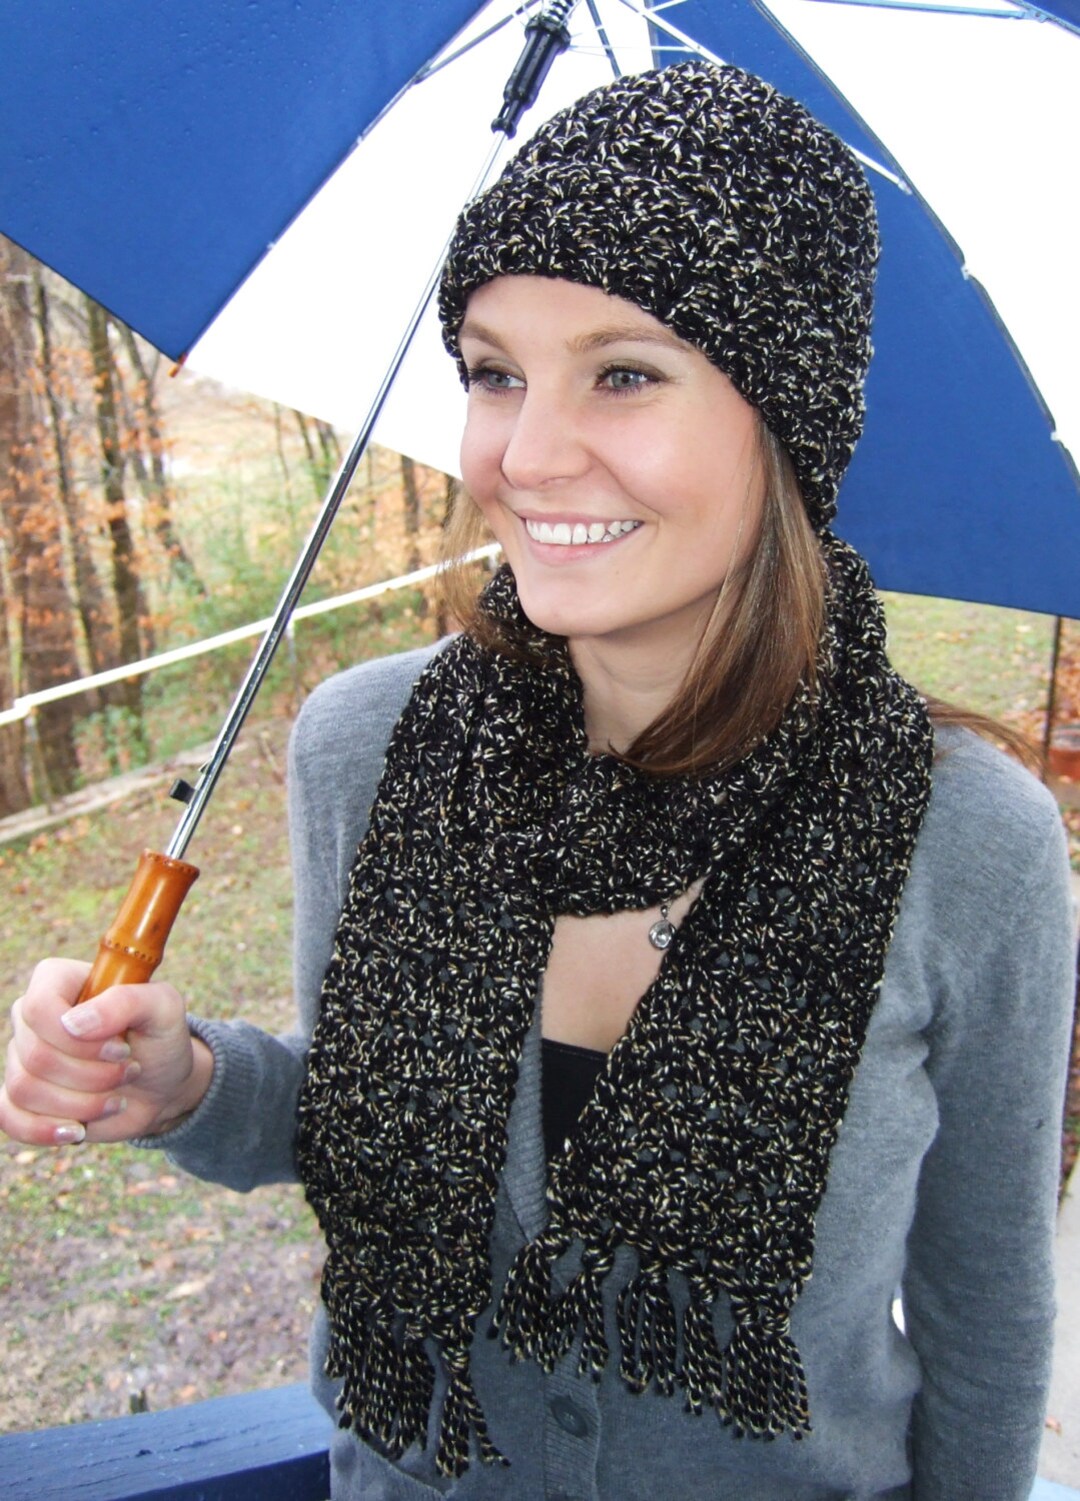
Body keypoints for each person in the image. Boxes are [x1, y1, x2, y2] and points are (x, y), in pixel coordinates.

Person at [1, 60, 1074, 1501]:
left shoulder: (966, 839)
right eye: (494, 370)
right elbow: (355, 1119)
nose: (527, 451)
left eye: (623, 372)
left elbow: (987, 1304)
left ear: (786, 414)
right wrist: (187, 1079)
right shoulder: (369, 749)